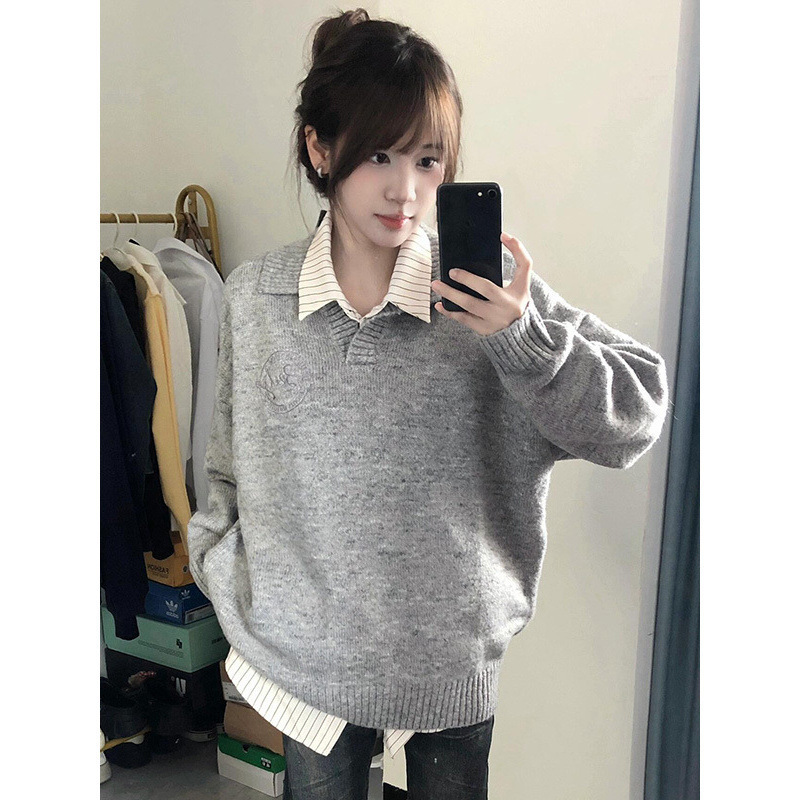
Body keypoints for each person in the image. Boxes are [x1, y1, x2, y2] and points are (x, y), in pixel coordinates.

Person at [187, 8, 670, 799]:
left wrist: (523, 342)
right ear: (319, 147)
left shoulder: (485, 296)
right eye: (378, 154)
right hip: (303, 664)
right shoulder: (255, 300)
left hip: (450, 666)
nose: (405, 189)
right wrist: (230, 576)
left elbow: (636, 417)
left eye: (427, 158)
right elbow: (227, 471)